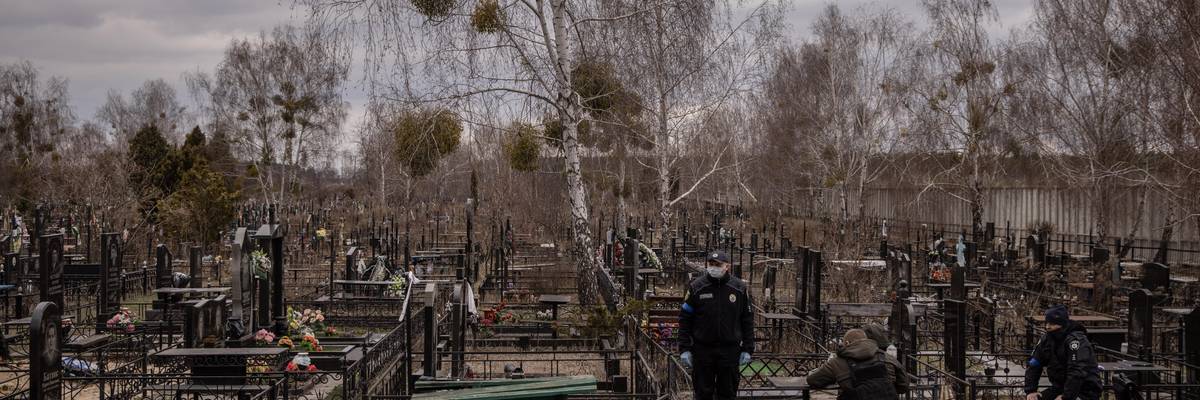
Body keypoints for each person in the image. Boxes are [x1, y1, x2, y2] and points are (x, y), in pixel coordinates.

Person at [678, 250, 754, 400]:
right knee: (702, 394)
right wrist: (684, 348)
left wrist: (748, 348)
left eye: (718, 264)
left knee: (727, 393)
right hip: (703, 350)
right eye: (711, 264)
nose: (714, 267)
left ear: (727, 266)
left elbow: (747, 319)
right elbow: (685, 319)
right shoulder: (696, 287)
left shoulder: (739, 288)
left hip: (729, 351)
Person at [1024, 305, 1102, 400]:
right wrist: (1031, 390)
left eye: (1052, 324)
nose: (1047, 327)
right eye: (1047, 323)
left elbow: (1077, 371)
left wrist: (1066, 397)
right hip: (1060, 387)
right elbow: (1035, 363)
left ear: (1062, 323)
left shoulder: (1076, 341)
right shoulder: (1047, 339)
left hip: (1085, 390)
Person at [807, 329, 909, 400]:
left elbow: (813, 380)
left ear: (846, 343)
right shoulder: (886, 357)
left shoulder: (837, 362)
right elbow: (904, 385)